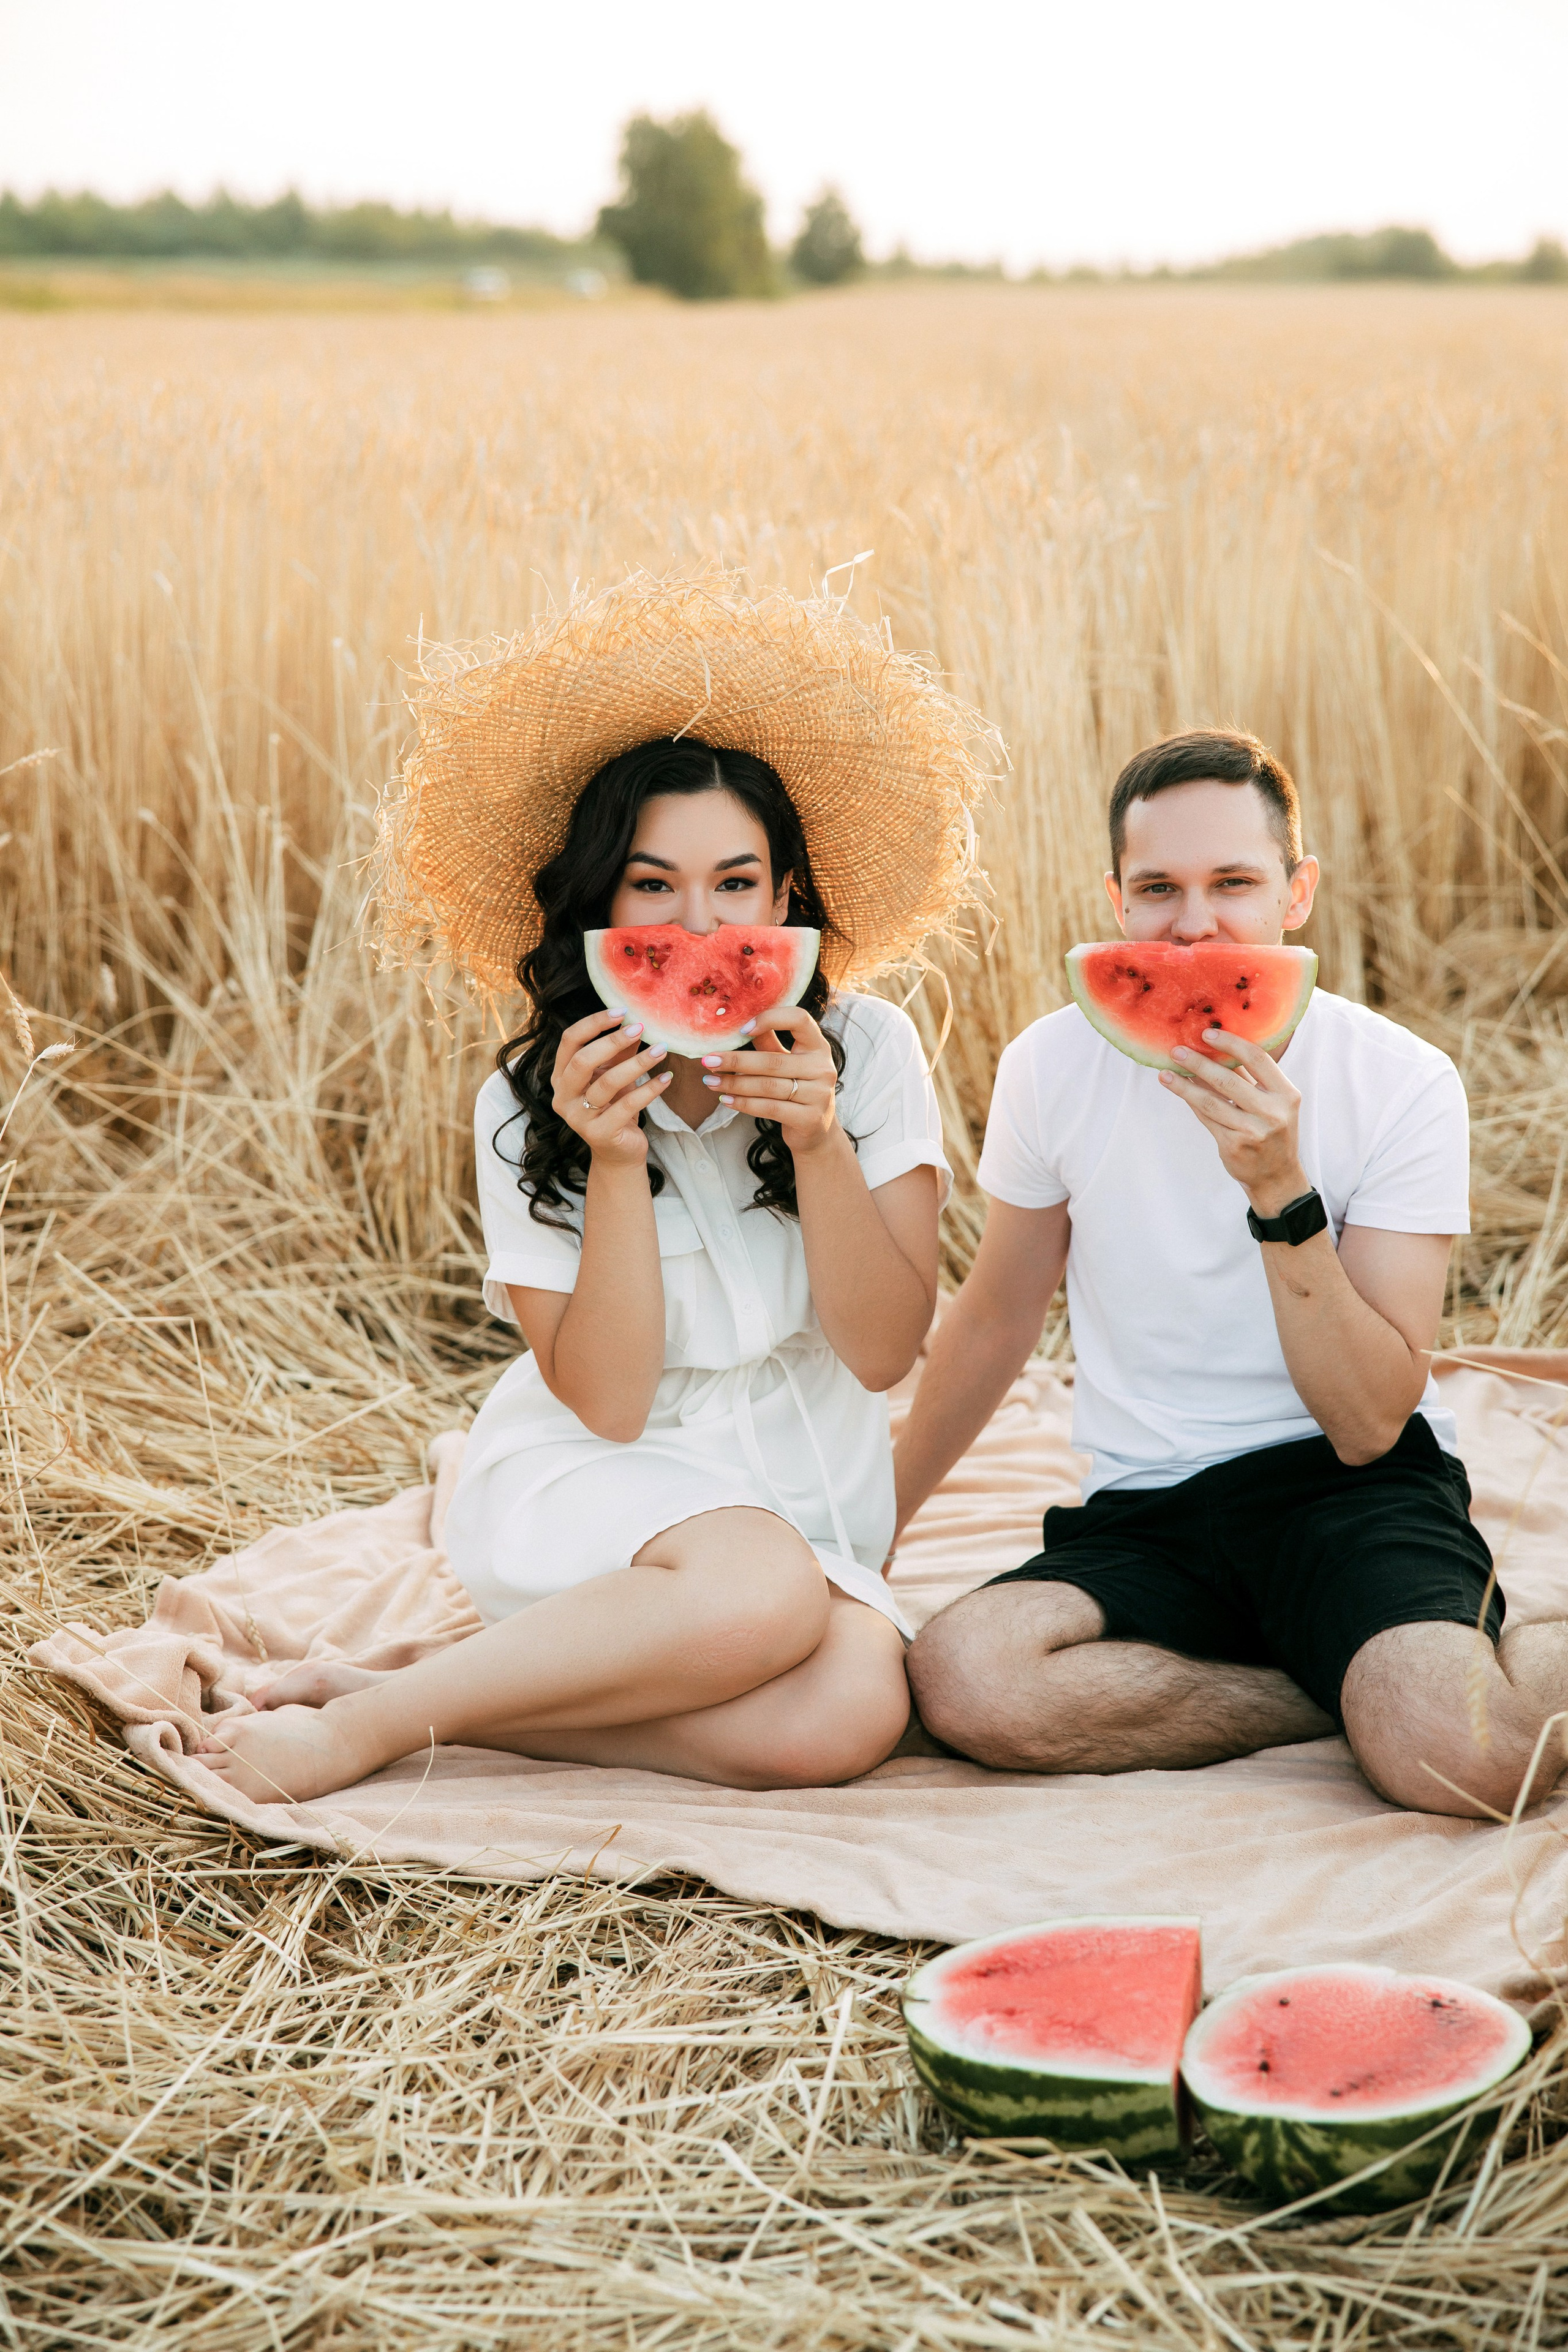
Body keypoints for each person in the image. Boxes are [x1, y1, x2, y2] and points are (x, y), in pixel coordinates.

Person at [195, 577, 991, 1806]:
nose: (698, 924)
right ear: (597, 909)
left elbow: (884, 1355)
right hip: (596, 1480)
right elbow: (609, 1404)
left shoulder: (870, 1050)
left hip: (803, 1479)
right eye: (651, 888)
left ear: (786, 901)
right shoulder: (526, 1103)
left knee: (848, 1713)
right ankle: (371, 1733)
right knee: (758, 1588)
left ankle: (420, 1704)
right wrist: (613, 1161)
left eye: (736, 886)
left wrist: (821, 1144)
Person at [897, 728, 1568, 1819]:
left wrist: (1280, 1194)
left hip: (1350, 1491)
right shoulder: (1048, 1066)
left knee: (1466, 1760)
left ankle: (1467, 1671)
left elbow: (1368, 1420)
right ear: (1116, 901)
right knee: (966, 1679)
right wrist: (866, 1532)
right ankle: (1332, 1696)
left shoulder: (1401, 1082)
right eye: (1159, 887)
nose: (1195, 924)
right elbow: (996, 1319)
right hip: (1148, 1506)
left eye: (1234, 884)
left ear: (1297, 895)